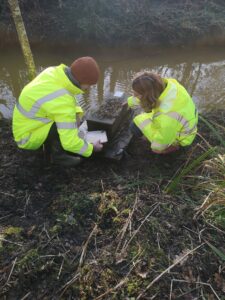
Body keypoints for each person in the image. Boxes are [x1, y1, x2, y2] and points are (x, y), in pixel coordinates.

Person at [12, 56, 103, 166]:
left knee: (69, 122)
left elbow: (66, 95)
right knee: (64, 128)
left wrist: (77, 114)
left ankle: (51, 146)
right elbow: (69, 143)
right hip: (26, 138)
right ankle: (57, 157)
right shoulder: (63, 102)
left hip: (25, 124)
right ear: (81, 81)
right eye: (88, 85)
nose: (88, 88)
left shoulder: (54, 72)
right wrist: (92, 148)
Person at [127, 72, 198, 154]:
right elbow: (145, 96)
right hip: (184, 123)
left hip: (183, 137)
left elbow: (158, 146)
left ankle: (175, 146)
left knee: (155, 148)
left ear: (148, 96)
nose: (134, 96)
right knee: (138, 123)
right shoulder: (168, 85)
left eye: (136, 95)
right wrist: (129, 102)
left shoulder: (167, 117)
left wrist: (157, 145)